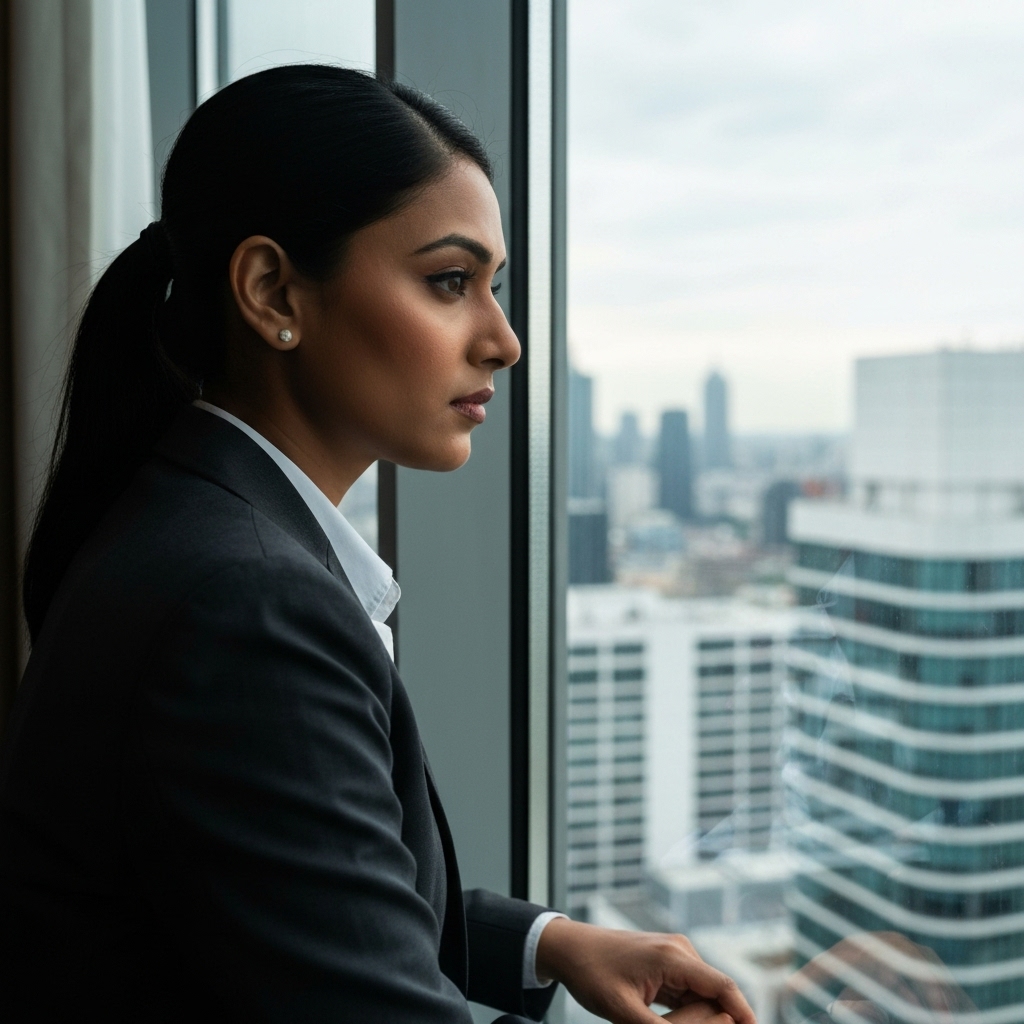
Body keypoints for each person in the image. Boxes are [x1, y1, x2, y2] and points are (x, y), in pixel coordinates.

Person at [0, 66, 754, 1024]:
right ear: (272, 291)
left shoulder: (189, 521)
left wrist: (547, 941)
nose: (504, 340)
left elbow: (299, 897)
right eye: (450, 282)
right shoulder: (247, 605)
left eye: (493, 287)